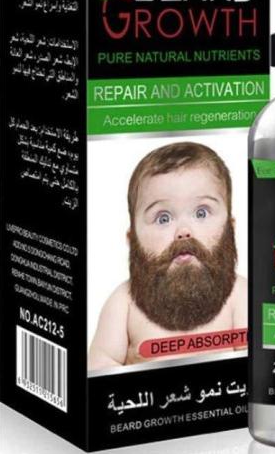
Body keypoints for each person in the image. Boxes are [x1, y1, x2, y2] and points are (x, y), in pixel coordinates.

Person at [88, 141, 247, 370]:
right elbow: (99, 366)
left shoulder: (240, 296)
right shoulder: (123, 304)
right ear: (132, 240)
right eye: (163, 218)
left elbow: (255, 367)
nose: (183, 231)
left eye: (201, 213)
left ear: (231, 228)